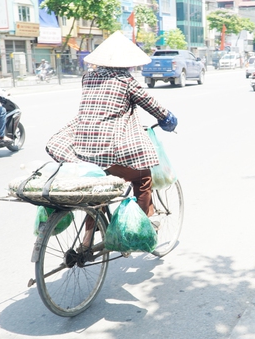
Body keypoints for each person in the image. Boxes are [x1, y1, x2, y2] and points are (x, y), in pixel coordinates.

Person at [46, 31, 177, 219]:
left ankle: (87, 239)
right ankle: (141, 226)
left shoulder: (88, 77)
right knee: (143, 177)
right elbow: (152, 105)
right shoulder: (125, 81)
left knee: (97, 192)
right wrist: (168, 119)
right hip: (107, 151)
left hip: (81, 149)